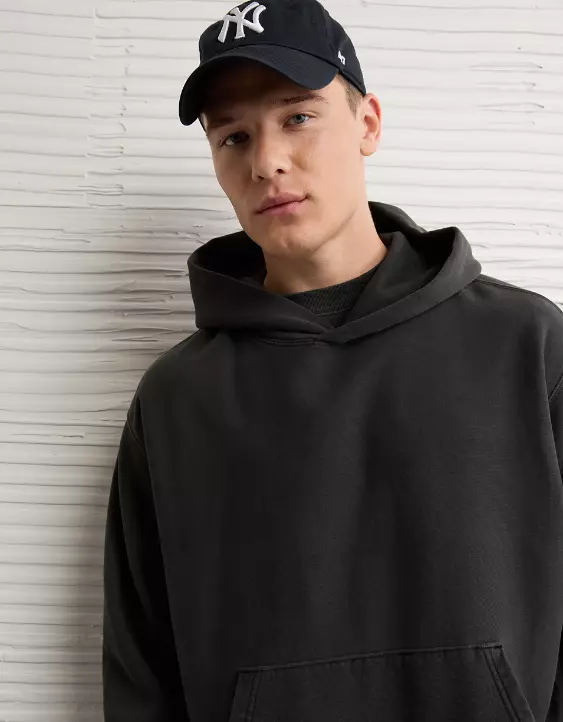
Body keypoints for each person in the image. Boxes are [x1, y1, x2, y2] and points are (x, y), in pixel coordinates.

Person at [102, 0, 563, 720]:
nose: (266, 161)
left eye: (297, 117)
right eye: (232, 136)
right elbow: (141, 664)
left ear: (367, 123)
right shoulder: (177, 397)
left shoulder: (526, 344)